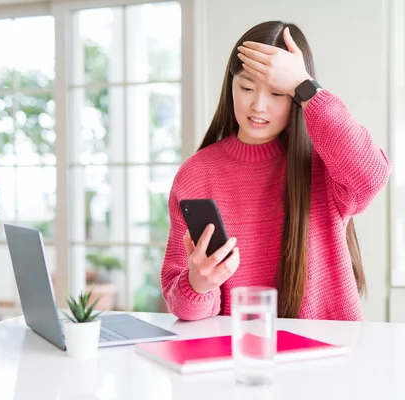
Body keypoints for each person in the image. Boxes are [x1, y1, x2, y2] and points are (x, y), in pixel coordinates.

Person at [161, 21, 391, 321]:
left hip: (326, 358)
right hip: (239, 356)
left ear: (295, 97)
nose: (258, 105)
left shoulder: (325, 163)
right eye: (246, 87)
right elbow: (184, 307)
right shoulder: (197, 174)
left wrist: (307, 87)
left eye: (278, 93)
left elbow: (371, 176)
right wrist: (199, 284)